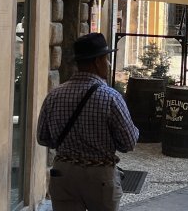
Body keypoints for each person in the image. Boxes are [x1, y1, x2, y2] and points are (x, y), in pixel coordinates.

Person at [37, 33, 139, 211]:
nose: (108, 64)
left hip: (63, 174)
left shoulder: (54, 95)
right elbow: (128, 143)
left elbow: (43, 138)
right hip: (99, 176)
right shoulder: (111, 98)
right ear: (97, 62)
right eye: (106, 59)